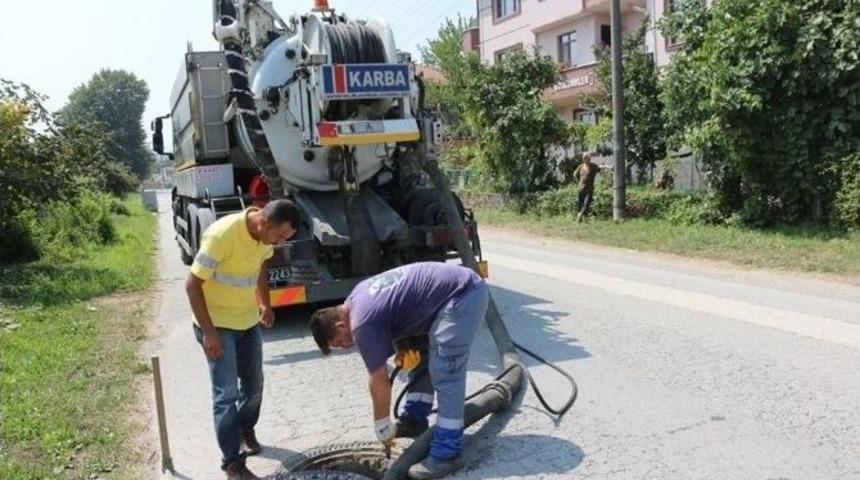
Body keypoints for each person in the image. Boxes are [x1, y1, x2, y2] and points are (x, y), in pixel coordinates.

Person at [309, 262, 488, 479]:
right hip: (445, 296)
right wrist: (404, 348)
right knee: (419, 355)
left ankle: (447, 453)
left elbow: (379, 379)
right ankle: (415, 419)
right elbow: (397, 309)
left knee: (446, 370)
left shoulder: (360, 323)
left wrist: (382, 424)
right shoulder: (355, 300)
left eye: (341, 343)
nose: (348, 347)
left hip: (462, 294)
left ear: (340, 325)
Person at [185, 199, 299, 480]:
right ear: (263, 223)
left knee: (254, 384)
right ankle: (232, 464)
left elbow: (261, 266)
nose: (280, 242)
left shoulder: (264, 237)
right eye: (279, 236)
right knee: (226, 396)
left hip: (246, 321)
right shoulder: (222, 235)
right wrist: (209, 333)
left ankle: (245, 428)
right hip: (217, 324)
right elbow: (192, 284)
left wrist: (265, 303)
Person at [573, 152, 600, 223]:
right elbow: (575, 174)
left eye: (589, 158)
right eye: (586, 158)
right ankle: (585, 221)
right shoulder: (580, 167)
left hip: (589, 189)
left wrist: (609, 167)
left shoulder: (593, 166)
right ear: (583, 159)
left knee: (586, 204)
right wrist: (578, 182)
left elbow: (601, 168)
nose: (588, 160)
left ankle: (579, 216)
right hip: (581, 189)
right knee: (580, 205)